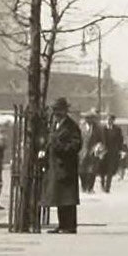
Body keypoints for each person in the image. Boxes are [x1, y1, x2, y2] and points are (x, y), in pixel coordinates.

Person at [45, 97, 85, 234]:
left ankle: (70, 226)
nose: (56, 113)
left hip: (67, 166)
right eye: (54, 110)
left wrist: (60, 147)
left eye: (58, 110)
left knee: (68, 198)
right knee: (59, 197)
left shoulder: (71, 126)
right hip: (56, 166)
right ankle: (62, 224)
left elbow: (76, 145)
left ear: (64, 111)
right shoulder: (55, 125)